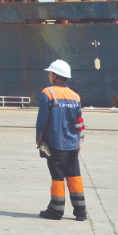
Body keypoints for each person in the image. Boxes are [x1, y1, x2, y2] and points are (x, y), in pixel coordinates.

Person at [36, 59, 86, 221]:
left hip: (56, 144)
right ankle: (80, 212)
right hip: (72, 144)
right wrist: (79, 141)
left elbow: (42, 119)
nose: (49, 75)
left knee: (58, 177)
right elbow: (80, 121)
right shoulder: (75, 96)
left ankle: (56, 211)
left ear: (55, 76)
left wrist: (39, 138)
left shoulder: (48, 93)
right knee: (74, 176)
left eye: (50, 73)